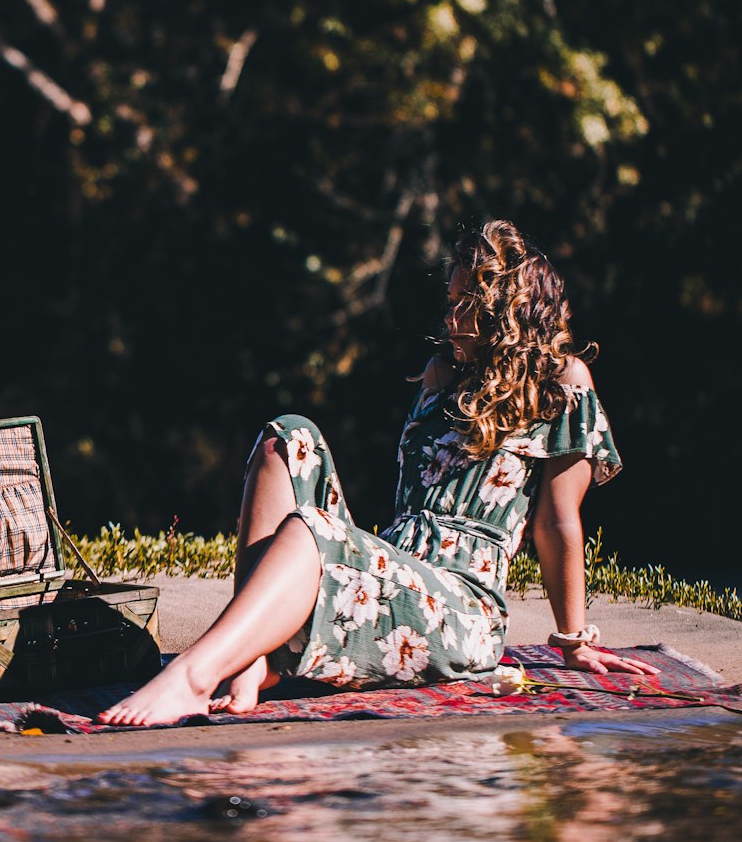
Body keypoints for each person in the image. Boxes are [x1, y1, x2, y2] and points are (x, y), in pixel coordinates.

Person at [100, 219, 658, 727]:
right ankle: (251, 658)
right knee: (286, 435)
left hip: (462, 605)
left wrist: (572, 640)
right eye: (452, 298)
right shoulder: (443, 374)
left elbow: (558, 522)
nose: (449, 315)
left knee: (314, 530)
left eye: (464, 303)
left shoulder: (563, 382)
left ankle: (193, 677)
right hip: (400, 562)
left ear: (504, 314)